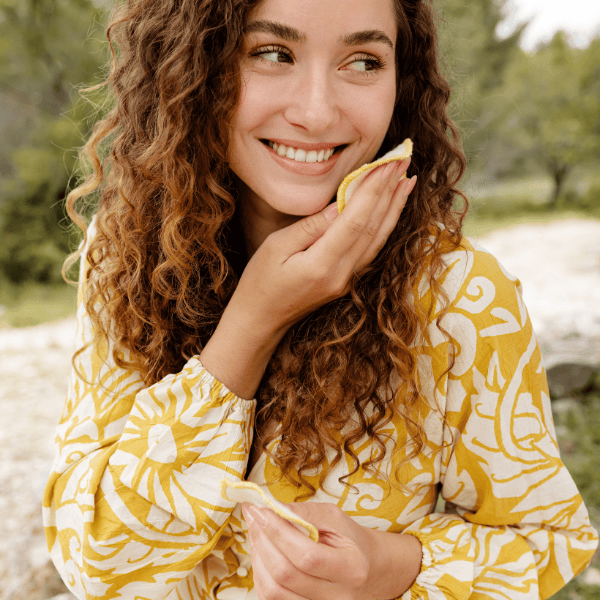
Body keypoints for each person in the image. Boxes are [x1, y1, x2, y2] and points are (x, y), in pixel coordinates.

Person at [43, 0, 598, 598]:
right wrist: (252, 324)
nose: (316, 112)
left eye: (363, 61)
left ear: (401, 80)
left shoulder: (459, 293)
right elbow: (96, 565)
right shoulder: (127, 253)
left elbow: (546, 540)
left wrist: (388, 566)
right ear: (193, 65)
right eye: (272, 53)